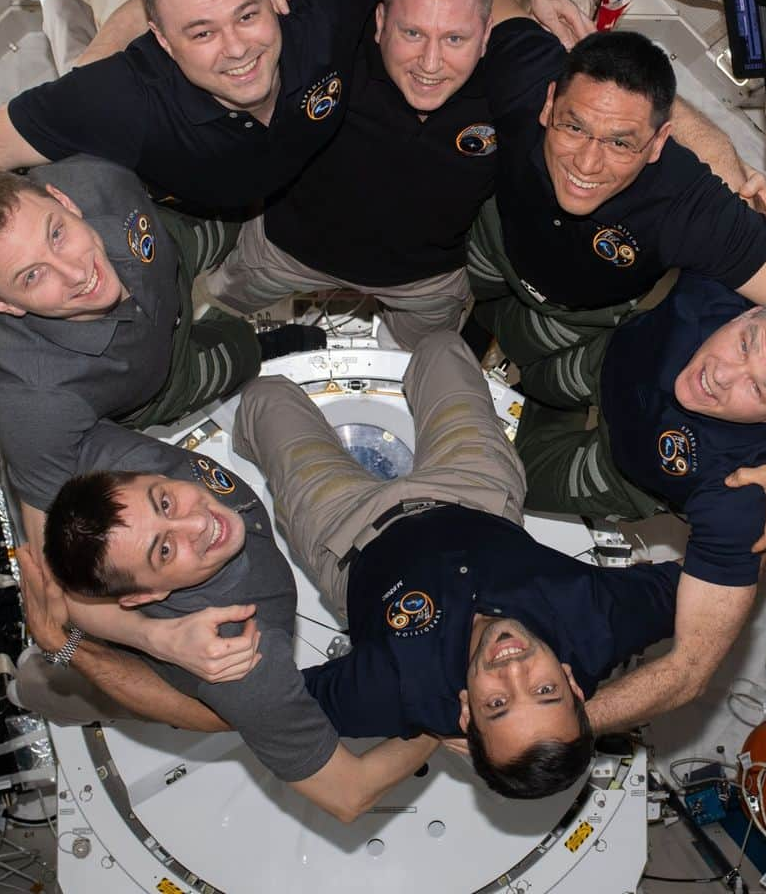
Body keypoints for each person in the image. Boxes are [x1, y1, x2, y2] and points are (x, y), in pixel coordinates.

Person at [201, 0, 766, 350]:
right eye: (411, 34)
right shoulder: (327, 50)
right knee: (220, 311)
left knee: (422, 362)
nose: (430, 63)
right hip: (286, 247)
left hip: (423, 280)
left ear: (487, 35)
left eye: (454, 37)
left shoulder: (519, 84)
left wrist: (729, 174)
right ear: (379, 23)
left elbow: (632, 101)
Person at [230, 330, 682, 799]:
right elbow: (700, 589)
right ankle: (401, 329)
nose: (514, 668)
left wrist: (170, 642)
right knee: (440, 346)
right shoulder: (599, 623)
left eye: (498, 702)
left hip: (346, 532)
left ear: (465, 715)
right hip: (475, 491)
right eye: (546, 690)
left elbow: (267, 705)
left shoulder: (399, 690)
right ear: (572, 682)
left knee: (266, 394)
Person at [466, 30, 766, 546]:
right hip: (596, 351)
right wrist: (556, 6)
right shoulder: (524, 79)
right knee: (510, 339)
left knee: (499, 485)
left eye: (621, 142)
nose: (587, 163)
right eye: (575, 126)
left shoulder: (741, 480)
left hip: (619, 453)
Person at [0, 0, 585, 213]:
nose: (239, 50)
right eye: (201, 32)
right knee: (75, 63)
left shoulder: (314, 7)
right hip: (177, 188)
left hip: (262, 184)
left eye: (249, 15)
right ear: (164, 42)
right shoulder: (118, 96)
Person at [19, 430, 438, 825]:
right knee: (44, 686)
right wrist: (445, 716)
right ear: (144, 598)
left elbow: (30, 425)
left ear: (150, 475)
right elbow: (348, 794)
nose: (199, 524)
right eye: (164, 550)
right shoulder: (241, 660)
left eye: (165, 503)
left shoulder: (117, 466)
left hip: (112, 600)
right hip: (133, 666)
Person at [512, 272, 766, 730]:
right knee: (521, 345)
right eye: (744, 345)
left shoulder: (743, 495)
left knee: (513, 478)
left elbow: (690, 670)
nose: (721, 375)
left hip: (619, 470)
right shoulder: (721, 286)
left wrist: (558, 728)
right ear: (751, 311)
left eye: (759, 389)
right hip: (608, 358)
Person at [0, 155, 322, 531]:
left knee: (241, 214)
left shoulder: (92, 172)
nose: (75, 272)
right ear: (1, 304)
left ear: (66, 200)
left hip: (171, 249)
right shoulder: (35, 400)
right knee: (240, 354)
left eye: (57, 233)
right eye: (32, 276)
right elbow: (54, 538)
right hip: (167, 381)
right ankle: (273, 343)